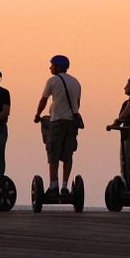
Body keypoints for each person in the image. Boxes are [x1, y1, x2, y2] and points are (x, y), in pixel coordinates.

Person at [33, 55, 81, 196]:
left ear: (58, 67)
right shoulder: (76, 82)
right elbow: (77, 104)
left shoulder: (53, 80)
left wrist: (37, 114)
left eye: (52, 65)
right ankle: (65, 187)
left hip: (57, 121)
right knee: (68, 154)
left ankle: (53, 186)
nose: (50, 67)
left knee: (53, 153)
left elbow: (44, 100)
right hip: (72, 122)